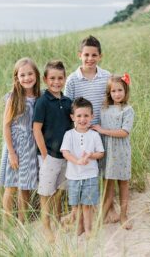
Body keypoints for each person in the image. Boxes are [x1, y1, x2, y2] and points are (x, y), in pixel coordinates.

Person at [64, 35, 118, 222]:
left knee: (106, 170)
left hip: (104, 130)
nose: (90, 58)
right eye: (86, 54)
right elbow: (68, 107)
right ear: (80, 55)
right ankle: (75, 210)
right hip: (82, 134)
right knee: (81, 170)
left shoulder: (106, 76)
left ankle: (108, 207)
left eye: (94, 55)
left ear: (100, 56)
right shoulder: (72, 80)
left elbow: (113, 100)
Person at [33, 60, 72, 243]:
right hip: (48, 155)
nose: (56, 82)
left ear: (64, 78)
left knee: (60, 190)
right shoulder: (42, 101)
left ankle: (57, 219)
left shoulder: (67, 101)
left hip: (64, 155)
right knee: (46, 192)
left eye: (60, 78)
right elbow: (36, 129)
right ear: (46, 79)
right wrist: (44, 154)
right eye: (52, 78)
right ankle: (46, 225)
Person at [0, 57, 40, 225]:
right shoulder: (14, 98)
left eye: (30, 74)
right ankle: (6, 223)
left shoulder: (39, 97)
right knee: (11, 186)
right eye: (22, 75)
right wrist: (12, 153)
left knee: (26, 186)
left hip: (31, 147)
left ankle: (23, 222)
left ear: (36, 75)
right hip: (15, 147)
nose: (27, 78)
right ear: (17, 77)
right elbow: (6, 127)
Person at [92, 73, 134, 229]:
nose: (117, 94)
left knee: (123, 184)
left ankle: (124, 215)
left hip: (121, 152)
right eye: (113, 91)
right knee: (108, 185)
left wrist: (103, 131)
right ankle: (102, 216)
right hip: (107, 153)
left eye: (120, 90)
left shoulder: (127, 110)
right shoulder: (104, 109)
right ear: (109, 93)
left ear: (125, 91)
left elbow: (124, 132)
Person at [60, 97, 104, 238]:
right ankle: (79, 227)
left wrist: (90, 155)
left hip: (90, 175)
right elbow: (65, 152)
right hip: (73, 176)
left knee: (87, 205)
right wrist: (77, 161)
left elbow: (101, 153)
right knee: (76, 205)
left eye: (86, 116)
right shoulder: (69, 134)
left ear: (92, 116)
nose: (82, 119)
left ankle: (88, 229)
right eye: (79, 116)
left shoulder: (94, 135)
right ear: (72, 117)